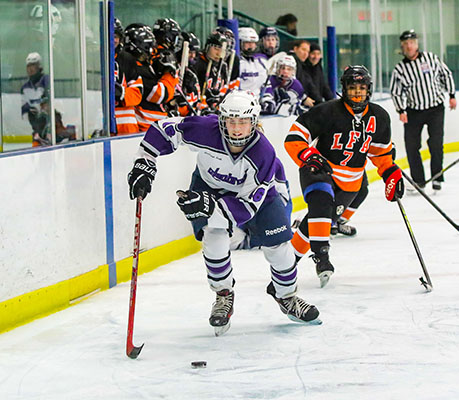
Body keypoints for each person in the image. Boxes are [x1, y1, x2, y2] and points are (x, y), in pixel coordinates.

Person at [126, 90, 321, 336]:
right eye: (231, 121)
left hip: (257, 198)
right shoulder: (204, 129)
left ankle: (287, 297)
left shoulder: (263, 155)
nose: (236, 129)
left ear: (254, 122)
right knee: (214, 237)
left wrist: (212, 208)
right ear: (222, 120)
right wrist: (145, 161)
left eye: (243, 122)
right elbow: (164, 129)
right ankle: (223, 294)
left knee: (280, 248)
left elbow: (248, 207)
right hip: (208, 187)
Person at [284, 66, 404, 287]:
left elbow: (381, 154)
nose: (357, 93)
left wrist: (390, 173)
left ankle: (288, 262)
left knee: (316, 221)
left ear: (369, 89)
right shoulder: (327, 111)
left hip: (351, 182)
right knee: (321, 202)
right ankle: (322, 257)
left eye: (361, 88)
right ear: (344, 89)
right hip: (319, 167)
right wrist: (308, 155)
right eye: (352, 88)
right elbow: (294, 138)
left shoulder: (379, 117)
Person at [390, 29, 456, 192]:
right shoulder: (400, 69)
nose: (409, 46)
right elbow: (396, 91)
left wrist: (452, 95)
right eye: (406, 44)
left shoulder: (431, 58)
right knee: (412, 146)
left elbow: (445, 74)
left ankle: (436, 177)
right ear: (402, 47)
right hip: (414, 110)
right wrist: (401, 110)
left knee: (435, 143)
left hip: (435, 108)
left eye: (411, 43)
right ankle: (418, 180)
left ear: (417, 44)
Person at [123, 24, 178, 131]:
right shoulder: (136, 69)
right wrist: (169, 74)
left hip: (153, 126)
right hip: (147, 128)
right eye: (150, 47)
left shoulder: (141, 65)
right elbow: (161, 94)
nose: (153, 51)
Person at [115, 18, 143, 134]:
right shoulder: (93, 59)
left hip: (126, 130)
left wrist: (121, 93)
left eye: (115, 36)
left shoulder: (127, 59)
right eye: (109, 36)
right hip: (101, 127)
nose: (113, 40)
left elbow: (138, 93)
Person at [20, 52, 50, 146]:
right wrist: (29, 109)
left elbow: (50, 101)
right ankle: (38, 136)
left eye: (33, 65)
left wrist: (44, 107)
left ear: (38, 66)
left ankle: (47, 135)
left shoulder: (46, 80)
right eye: (28, 66)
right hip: (36, 125)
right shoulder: (25, 87)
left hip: (49, 123)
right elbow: (24, 108)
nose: (30, 69)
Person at [238, 27, 268, 95]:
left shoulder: (261, 61)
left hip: (256, 102)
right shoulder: (235, 63)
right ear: (239, 43)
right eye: (247, 42)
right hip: (240, 100)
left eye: (253, 43)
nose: (251, 46)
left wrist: (267, 99)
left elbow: (266, 84)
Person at [288, 40, 317, 109]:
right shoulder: (292, 62)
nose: (306, 54)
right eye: (303, 50)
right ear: (295, 49)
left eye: (308, 51)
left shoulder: (302, 65)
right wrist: (304, 98)